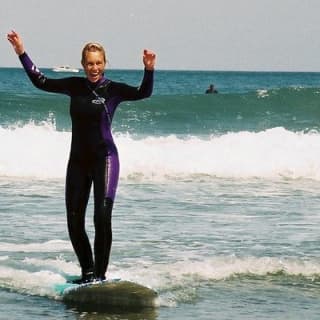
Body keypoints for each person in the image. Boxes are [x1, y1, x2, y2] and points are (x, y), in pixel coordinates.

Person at [7, 30, 156, 284]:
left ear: (105, 63)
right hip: (77, 161)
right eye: (89, 63)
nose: (94, 67)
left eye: (98, 63)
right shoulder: (74, 86)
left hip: (105, 158)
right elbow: (40, 81)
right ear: (83, 64)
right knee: (74, 221)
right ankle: (87, 273)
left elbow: (143, 92)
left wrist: (149, 70)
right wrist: (22, 52)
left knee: (101, 216)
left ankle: (100, 276)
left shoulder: (113, 90)